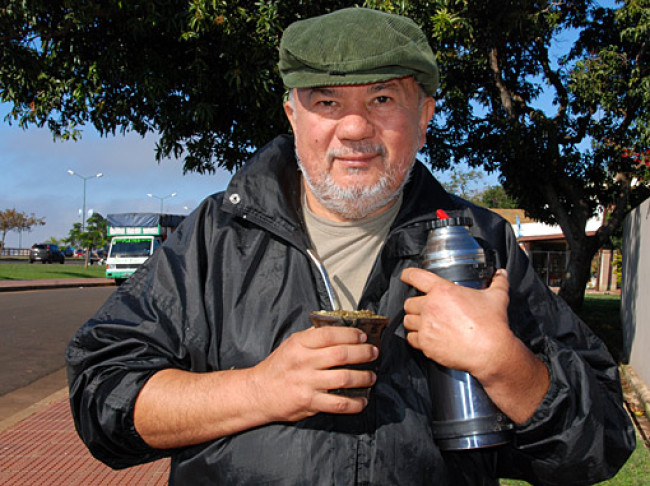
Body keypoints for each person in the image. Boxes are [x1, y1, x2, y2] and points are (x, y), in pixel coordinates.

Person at [67, 7, 635, 485]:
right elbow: (103, 398)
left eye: (384, 99)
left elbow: (603, 443)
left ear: (425, 114)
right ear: (293, 114)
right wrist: (260, 390)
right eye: (327, 102)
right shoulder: (216, 236)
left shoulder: (485, 246)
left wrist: (504, 363)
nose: (355, 127)